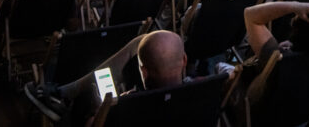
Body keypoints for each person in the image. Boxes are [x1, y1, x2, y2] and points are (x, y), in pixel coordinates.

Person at [26, 30, 189, 124]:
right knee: (142, 41)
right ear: (184, 60)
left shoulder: (122, 105)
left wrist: (99, 111)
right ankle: (66, 92)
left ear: (144, 71)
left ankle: (65, 96)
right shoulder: (199, 93)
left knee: (84, 105)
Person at [242, 1, 309, 109]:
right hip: (304, 111)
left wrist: (294, 6)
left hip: (258, 111)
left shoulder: (278, 59)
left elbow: (250, 14)